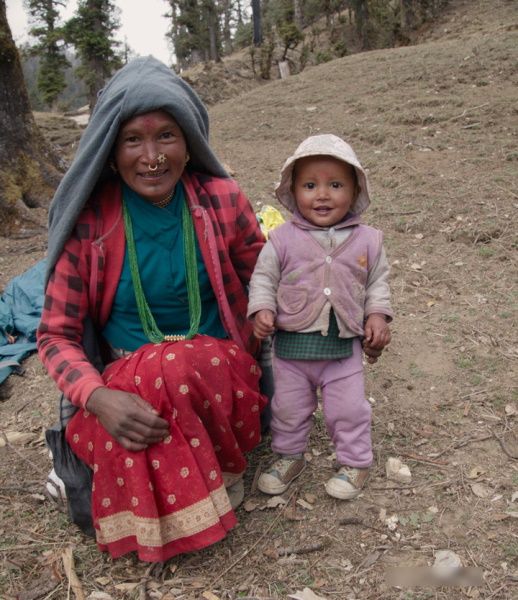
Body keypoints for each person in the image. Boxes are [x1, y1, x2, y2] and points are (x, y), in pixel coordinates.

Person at [37, 56, 269, 562]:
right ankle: (194, 490)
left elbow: (266, 283)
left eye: (166, 136)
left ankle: (137, 492)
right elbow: (55, 335)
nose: (151, 157)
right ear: (110, 151)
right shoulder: (91, 222)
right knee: (147, 388)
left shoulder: (223, 200)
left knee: (177, 363)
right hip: (126, 381)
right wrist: (99, 399)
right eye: (132, 140)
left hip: (220, 378)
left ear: (189, 145)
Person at [247, 134, 393, 501]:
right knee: (287, 408)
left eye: (335, 185)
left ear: (355, 189)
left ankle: (356, 461)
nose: (322, 194)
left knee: (348, 409)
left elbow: (378, 282)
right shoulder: (281, 239)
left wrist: (377, 315)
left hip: (342, 350)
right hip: (291, 350)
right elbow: (263, 277)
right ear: (293, 191)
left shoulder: (368, 240)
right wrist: (262, 308)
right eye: (310, 185)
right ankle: (288, 457)